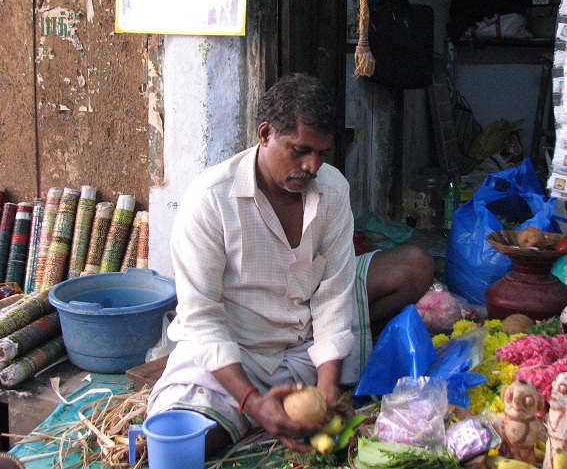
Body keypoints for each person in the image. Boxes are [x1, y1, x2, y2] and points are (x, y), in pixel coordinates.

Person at [146, 72, 434, 455]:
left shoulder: (331, 191)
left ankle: (276, 406)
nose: (313, 166)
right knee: (188, 445)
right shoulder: (211, 200)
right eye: (300, 150)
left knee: (411, 266)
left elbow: (333, 293)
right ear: (265, 134)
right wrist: (251, 401)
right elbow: (202, 318)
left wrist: (328, 386)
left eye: (323, 153)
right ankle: (251, 411)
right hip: (237, 350)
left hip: (301, 346)